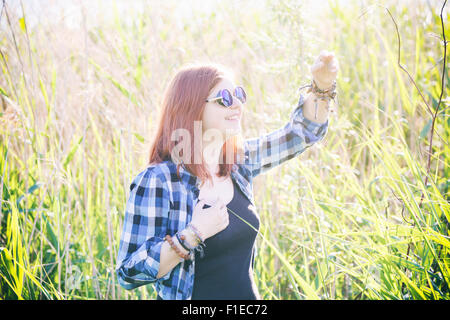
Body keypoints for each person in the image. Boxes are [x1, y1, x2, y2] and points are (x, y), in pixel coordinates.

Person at [116, 51, 339, 300]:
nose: (237, 104)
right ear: (191, 107)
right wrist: (192, 234)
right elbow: (128, 273)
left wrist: (322, 85)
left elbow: (301, 134)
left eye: (239, 95)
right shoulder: (159, 180)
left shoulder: (237, 163)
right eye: (224, 98)